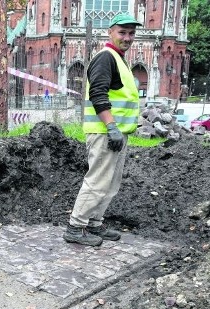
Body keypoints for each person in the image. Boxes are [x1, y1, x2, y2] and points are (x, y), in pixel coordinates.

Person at [63, 13, 142, 247]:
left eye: (131, 33)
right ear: (110, 32)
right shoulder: (106, 57)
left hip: (116, 132)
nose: (127, 37)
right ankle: (75, 227)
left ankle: (95, 223)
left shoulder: (119, 59)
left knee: (111, 182)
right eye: (122, 32)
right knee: (98, 180)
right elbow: (98, 94)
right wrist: (111, 127)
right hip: (105, 132)